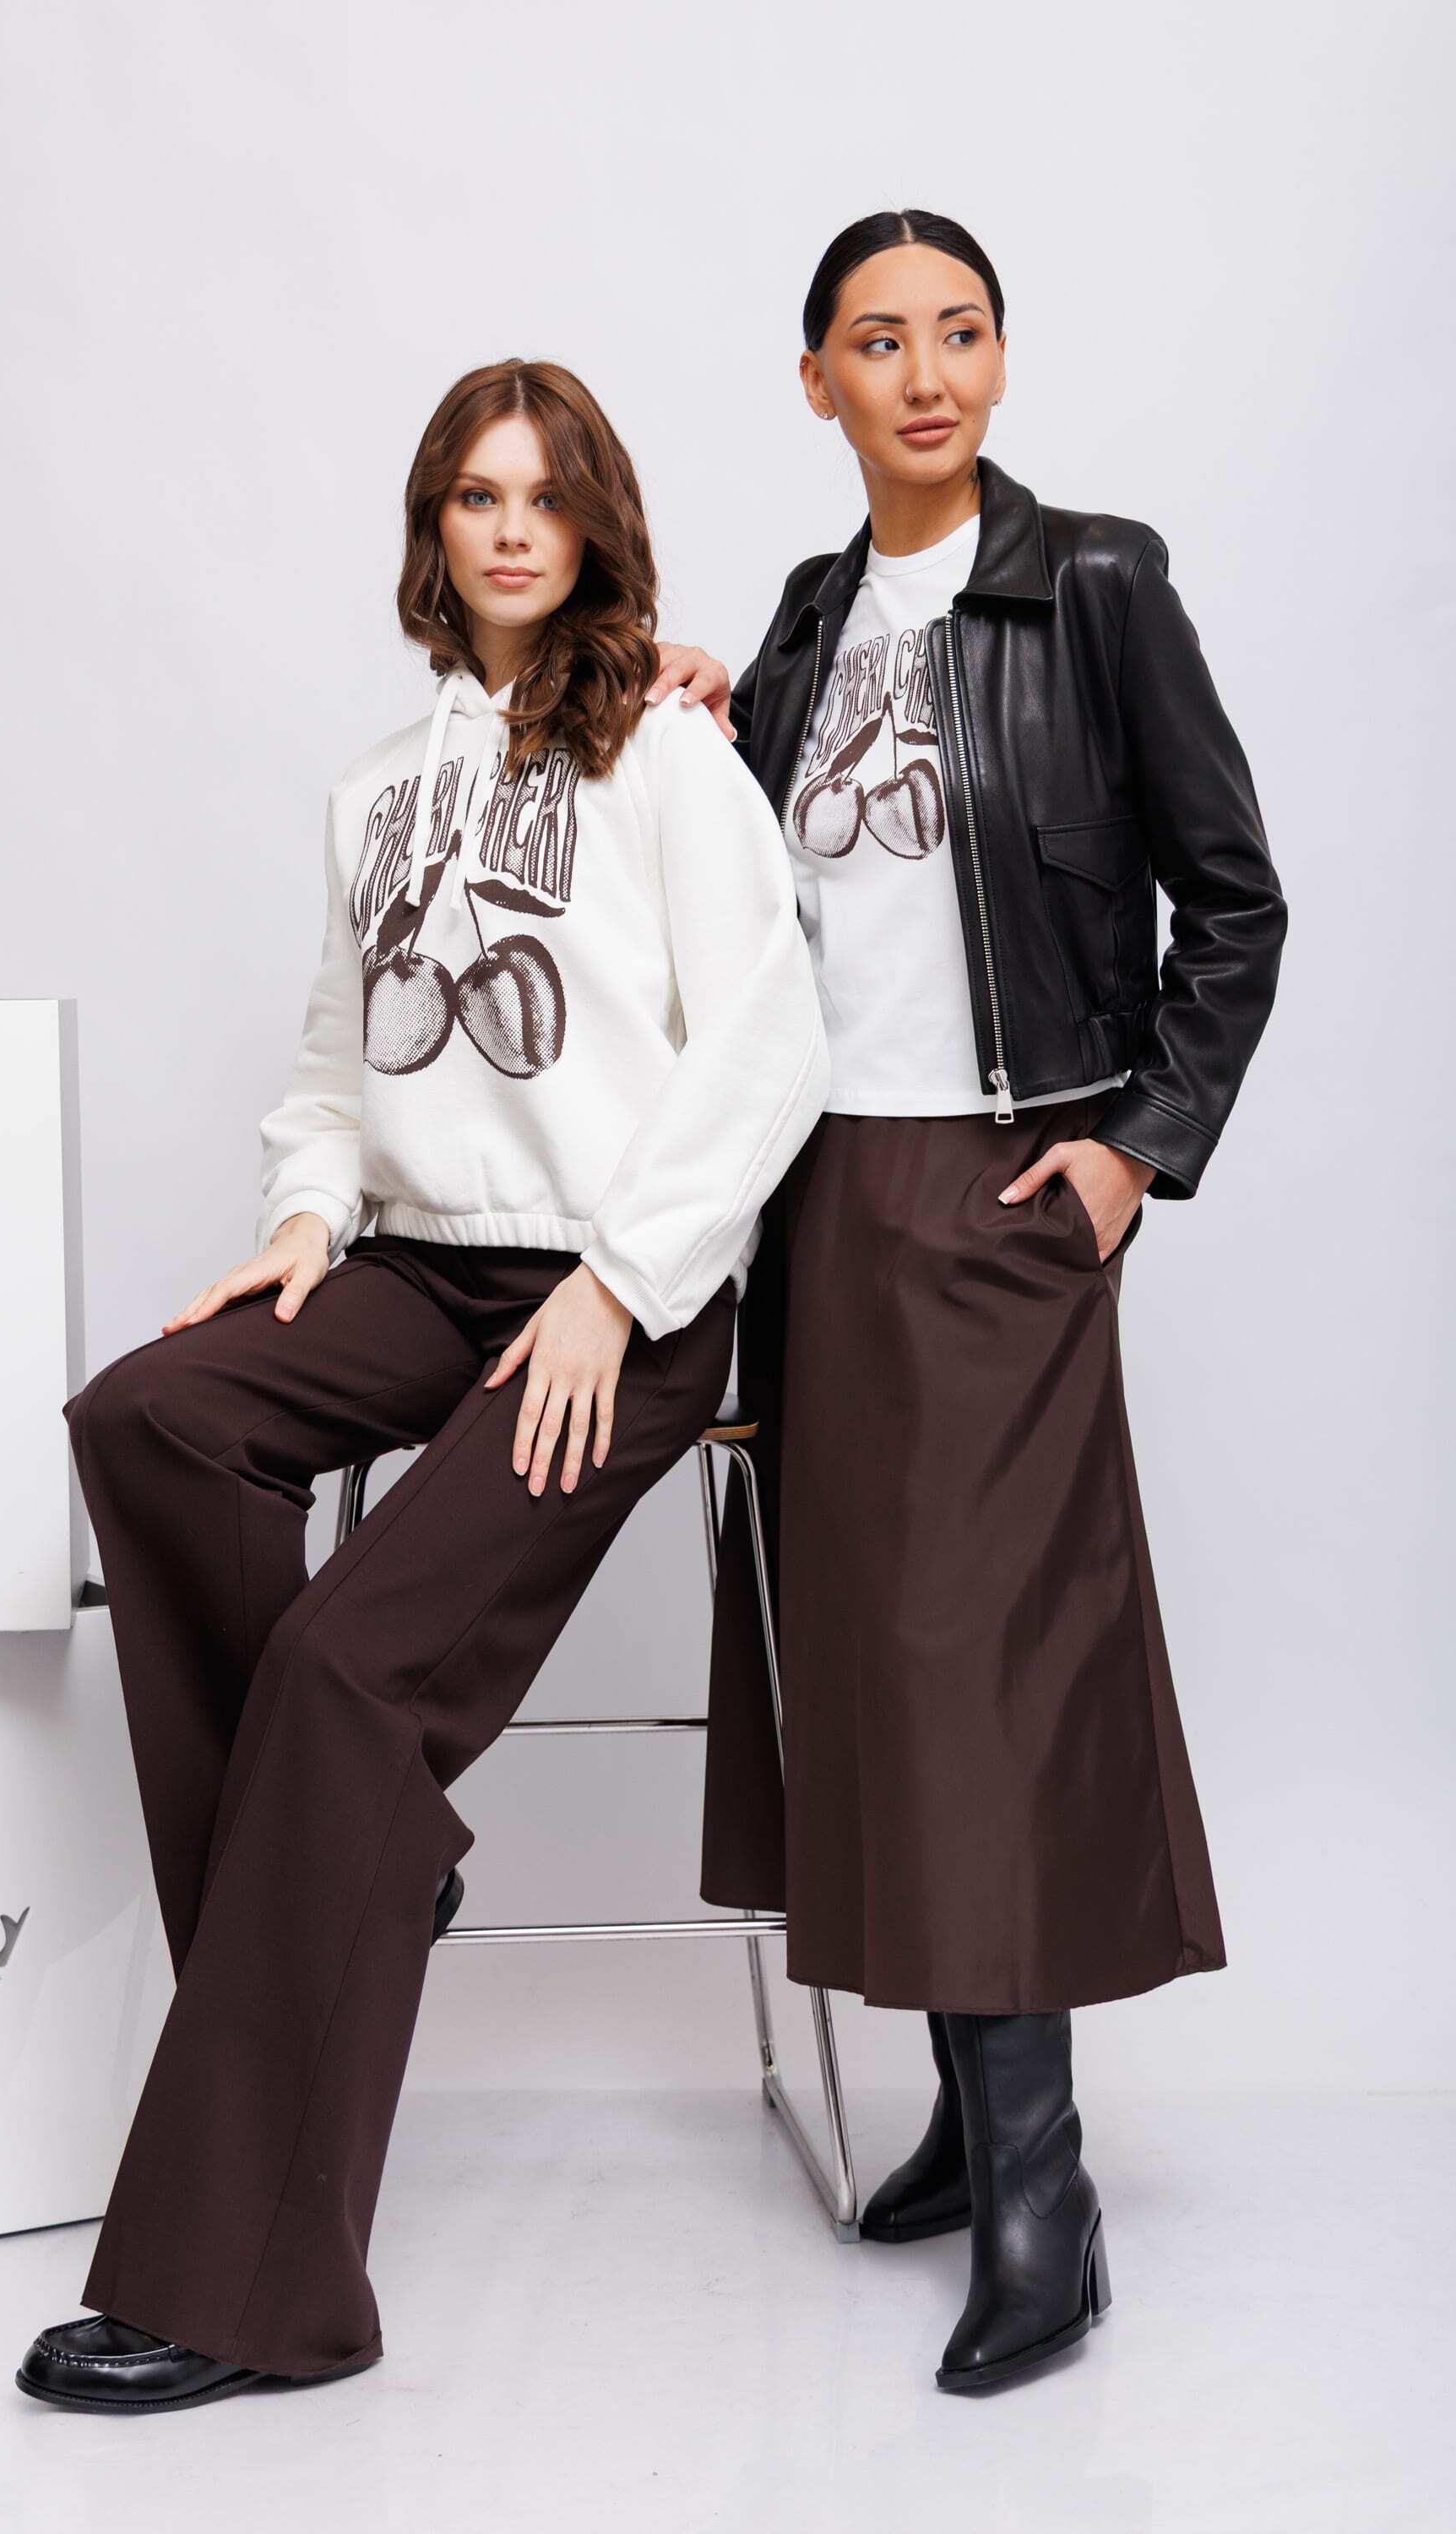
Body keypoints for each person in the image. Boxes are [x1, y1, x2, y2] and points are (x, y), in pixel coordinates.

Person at [15, 358, 829, 2413]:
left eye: (544, 495)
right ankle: (374, 1850)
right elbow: (334, 1053)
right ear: (433, 528)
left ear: (593, 523)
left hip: (618, 1294)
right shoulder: (377, 786)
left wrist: (623, 1286)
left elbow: (769, 1045)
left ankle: (252, 2292)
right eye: (476, 495)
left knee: (342, 1675)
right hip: (417, 1262)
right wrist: (307, 1213)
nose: (510, 527)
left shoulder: (669, 754)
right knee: (150, 1419)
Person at [649, 209, 1287, 2391]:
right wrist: (706, 716)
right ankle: (961, 2121)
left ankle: (1042, 2194)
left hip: (1002, 1183)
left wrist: (1135, 1150)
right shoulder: (813, 613)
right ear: (813, 380)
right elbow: (765, 893)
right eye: (877, 340)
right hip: (822, 1192)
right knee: (870, 1667)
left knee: (979, 1674)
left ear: (1000, 360)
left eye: (960, 332)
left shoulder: (1092, 582)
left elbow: (1234, 895)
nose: (925, 375)